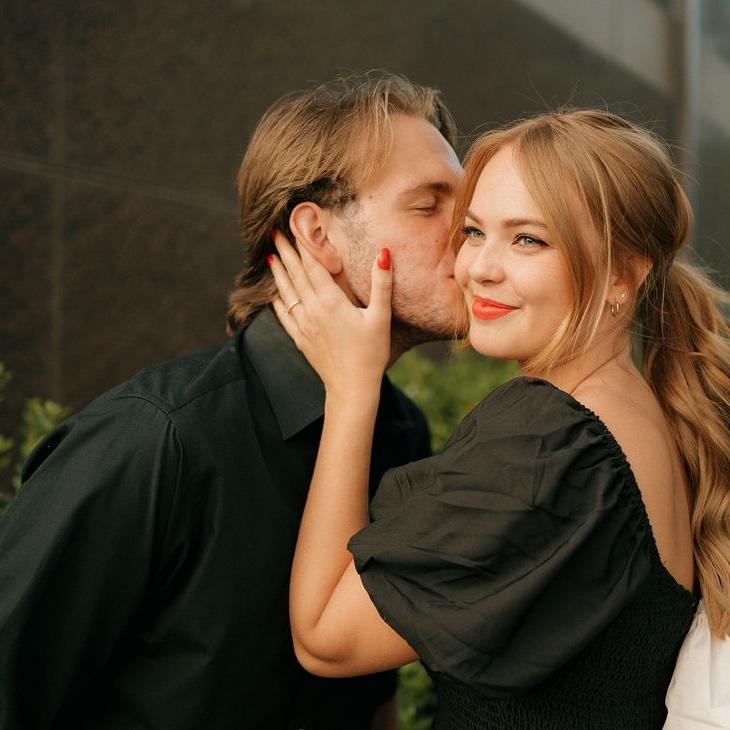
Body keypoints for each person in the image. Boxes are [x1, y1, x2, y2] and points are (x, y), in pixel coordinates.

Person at [0, 72, 464, 729]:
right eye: (429, 204)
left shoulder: (399, 431)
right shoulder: (159, 439)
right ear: (318, 235)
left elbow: (364, 698)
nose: (469, 231)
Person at [269, 109, 730, 728]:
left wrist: (351, 390)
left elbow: (325, 637)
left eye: (528, 239)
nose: (479, 267)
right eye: (474, 231)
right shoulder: (637, 406)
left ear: (623, 274)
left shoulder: (552, 439)